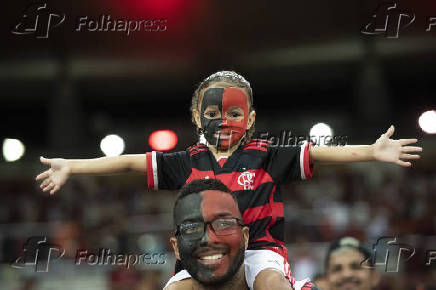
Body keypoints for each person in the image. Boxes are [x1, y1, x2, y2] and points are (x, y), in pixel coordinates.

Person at [36, 71, 421, 289]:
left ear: (250, 119)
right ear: (196, 116)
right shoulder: (185, 162)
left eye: (234, 112)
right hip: (205, 255)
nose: (223, 120)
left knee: (271, 285)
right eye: (213, 112)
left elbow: (319, 153)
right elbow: (128, 163)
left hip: (260, 251)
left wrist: (372, 151)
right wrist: (72, 165)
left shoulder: (267, 154)